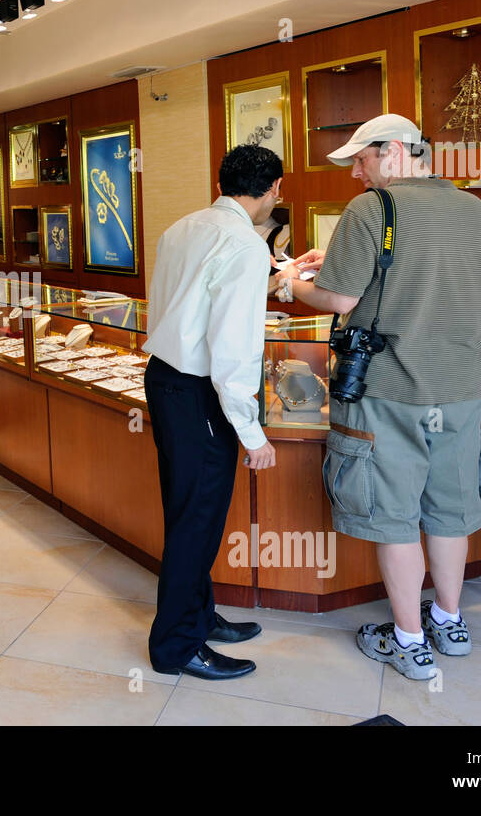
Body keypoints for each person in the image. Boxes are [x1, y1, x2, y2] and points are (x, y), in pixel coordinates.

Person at [275, 114, 481, 681]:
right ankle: (450, 621)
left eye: (361, 159)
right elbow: (429, 278)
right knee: (449, 512)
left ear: (394, 151)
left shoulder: (373, 209)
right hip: (459, 390)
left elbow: (340, 300)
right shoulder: (475, 210)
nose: (355, 172)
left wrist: (286, 284)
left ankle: (409, 643)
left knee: (394, 516)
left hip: (388, 391)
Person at [141, 144, 283, 682]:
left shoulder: (183, 227)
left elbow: (183, 303)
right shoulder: (246, 244)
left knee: (186, 513)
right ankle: (177, 646)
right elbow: (231, 350)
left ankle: (198, 615)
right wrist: (252, 434)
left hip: (167, 380)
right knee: (195, 523)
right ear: (272, 189)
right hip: (200, 391)